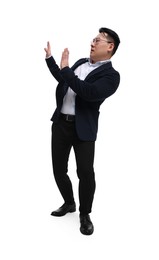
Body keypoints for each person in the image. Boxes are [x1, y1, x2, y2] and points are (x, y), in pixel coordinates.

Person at [44, 27, 120, 235]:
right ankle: (69, 203)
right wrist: (51, 60)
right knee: (59, 169)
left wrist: (67, 70)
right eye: (92, 40)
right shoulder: (78, 63)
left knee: (85, 173)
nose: (92, 43)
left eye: (97, 40)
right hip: (61, 124)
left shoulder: (112, 76)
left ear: (110, 47)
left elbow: (89, 93)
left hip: (83, 129)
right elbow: (64, 79)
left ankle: (85, 214)